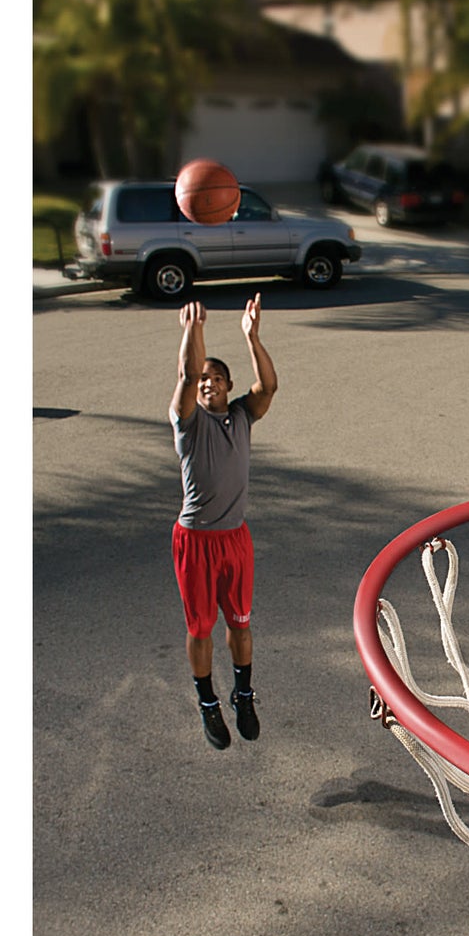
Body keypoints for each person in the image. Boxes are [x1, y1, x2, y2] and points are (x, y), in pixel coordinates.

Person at [169, 294, 277, 748]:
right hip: (196, 541)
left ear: (230, 385)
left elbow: (268, 387)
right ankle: (208, 701)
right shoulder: (188, 423)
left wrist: (252, 337)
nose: (207, 382)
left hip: (236, 538)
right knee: (200, 629)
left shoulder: (241, 417)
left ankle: (243, 693)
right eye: (203, 380)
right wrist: (193, 332)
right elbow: (186, 374)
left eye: (216, 378)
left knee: (240, 625)